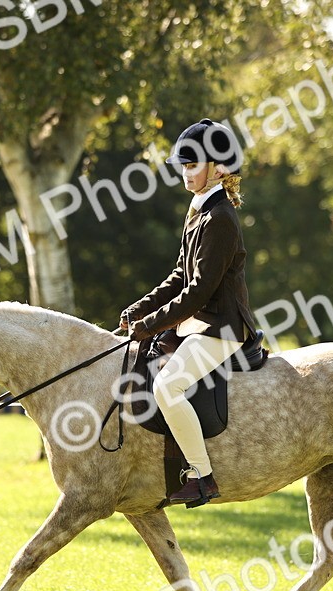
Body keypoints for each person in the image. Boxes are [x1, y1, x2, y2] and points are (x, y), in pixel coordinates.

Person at [120, 118, 258, 508]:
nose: (185, 173)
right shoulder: (198, 210)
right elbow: (180, 274)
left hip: (223, 328)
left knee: (167, 386)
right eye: (183, 166)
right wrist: (139, 309)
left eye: (193, 165)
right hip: (199, 323)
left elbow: (198, 291)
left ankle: (202, 475)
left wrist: (148, 326)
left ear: (218, 169)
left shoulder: (220, 219)